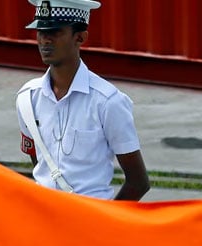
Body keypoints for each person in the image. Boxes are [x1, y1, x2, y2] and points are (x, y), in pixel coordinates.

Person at [16, 0, 150, 200]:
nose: (45, 40)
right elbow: (40, 162)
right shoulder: (27, 98)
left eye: (55, 32)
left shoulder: (107, 101)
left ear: (80, 37)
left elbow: (138, 182)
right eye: (41, 32)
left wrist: (104, 223)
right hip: (43, 217)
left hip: (90, 217)